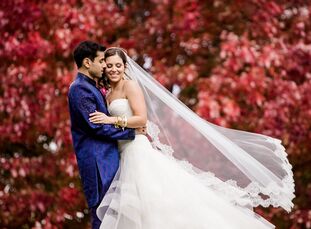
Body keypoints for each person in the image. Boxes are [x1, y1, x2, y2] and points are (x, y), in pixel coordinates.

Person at [89, 47, 295, 229]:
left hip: (137, 151)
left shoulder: (130, 86)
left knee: (152, 204)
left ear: (125, 66)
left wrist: (110, 119)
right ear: (104, 68)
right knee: (134, 210)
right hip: (122, 152)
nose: (114, 69)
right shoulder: (107, 93)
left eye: (118, 65)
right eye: (109, 66)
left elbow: (141, 120)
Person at [68, 41, 145, 229]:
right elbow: (96, 126)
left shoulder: (94, 87)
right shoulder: (79, 88)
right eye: (103, 61)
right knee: (103, 216)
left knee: (121, 213)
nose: (105, 66)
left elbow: (137, 117)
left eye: (115, 64)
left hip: (114, 158)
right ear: (88, 62)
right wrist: (131, 132)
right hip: (98, 164)